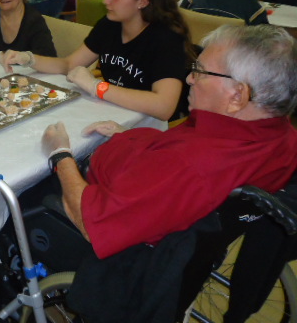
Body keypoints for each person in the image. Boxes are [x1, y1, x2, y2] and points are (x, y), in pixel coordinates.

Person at [41, 24, 297, 261]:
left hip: (111, 224)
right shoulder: (283, 137)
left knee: (31, 181)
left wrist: (60, 155)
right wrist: (126, 136)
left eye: (200, 71)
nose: (189, 79)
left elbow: (91, 223)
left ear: (237, 96)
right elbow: (178, 153)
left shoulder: (190, 166)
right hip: (153, 191)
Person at [3, 0, 192, 121]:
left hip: (149, 126)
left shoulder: (167, 38)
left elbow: (164, 107)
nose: (106, 0)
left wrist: (98, 87)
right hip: (112, 112)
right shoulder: (110, 24)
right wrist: (29, 59)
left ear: (142, 1)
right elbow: (70, 64)